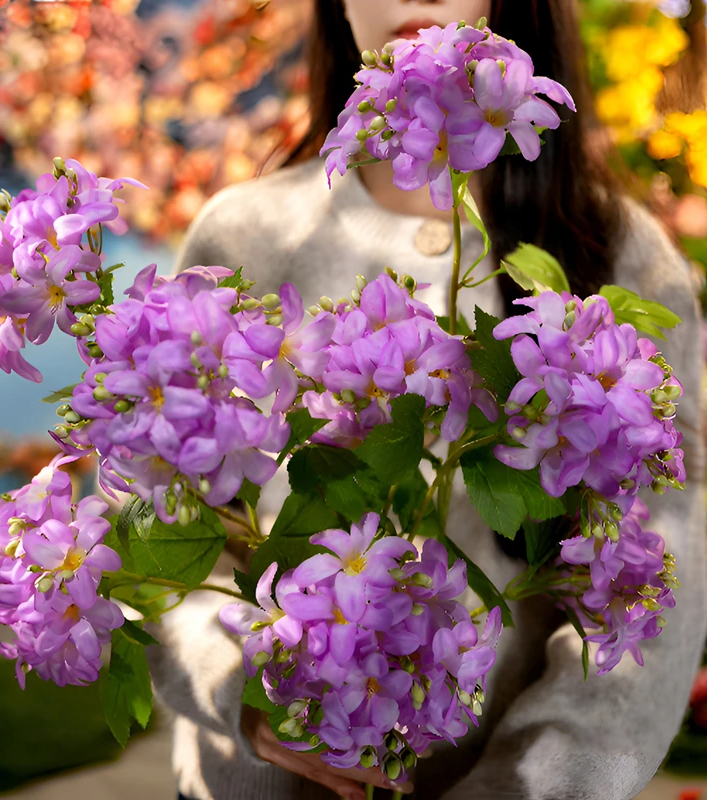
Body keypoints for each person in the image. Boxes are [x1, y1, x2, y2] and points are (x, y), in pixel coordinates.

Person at [146, 2, 706, 799]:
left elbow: (657, 581)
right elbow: (163, 519)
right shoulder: (244, 236)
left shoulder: (617, 253)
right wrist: (235, 682)